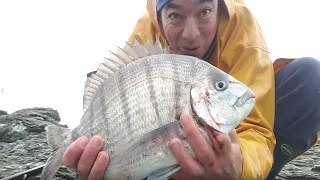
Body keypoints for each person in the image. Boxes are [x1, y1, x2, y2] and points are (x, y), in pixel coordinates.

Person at [62, 0, 320, 179]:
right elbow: (118, 108)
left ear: (218, 6)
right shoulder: (145, 35)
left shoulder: (241, 28)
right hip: (164, 148)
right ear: (159, 15)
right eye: (175, 15)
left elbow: (258, 128)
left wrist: (239, 166)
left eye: (204, 11)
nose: (191, 34)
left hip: (226, 127)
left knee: (310, 78)